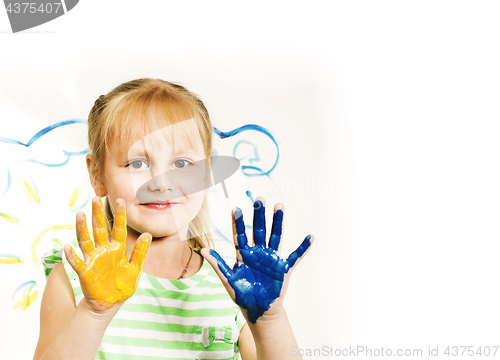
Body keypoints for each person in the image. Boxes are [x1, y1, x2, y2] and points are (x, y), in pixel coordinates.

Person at [33, 78, 314, 360]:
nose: (161, 183)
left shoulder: (232, 288)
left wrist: (269, 321)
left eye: (181, 164)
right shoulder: (76, 279)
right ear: (97, 175)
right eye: (137, 163)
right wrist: (94, 312)